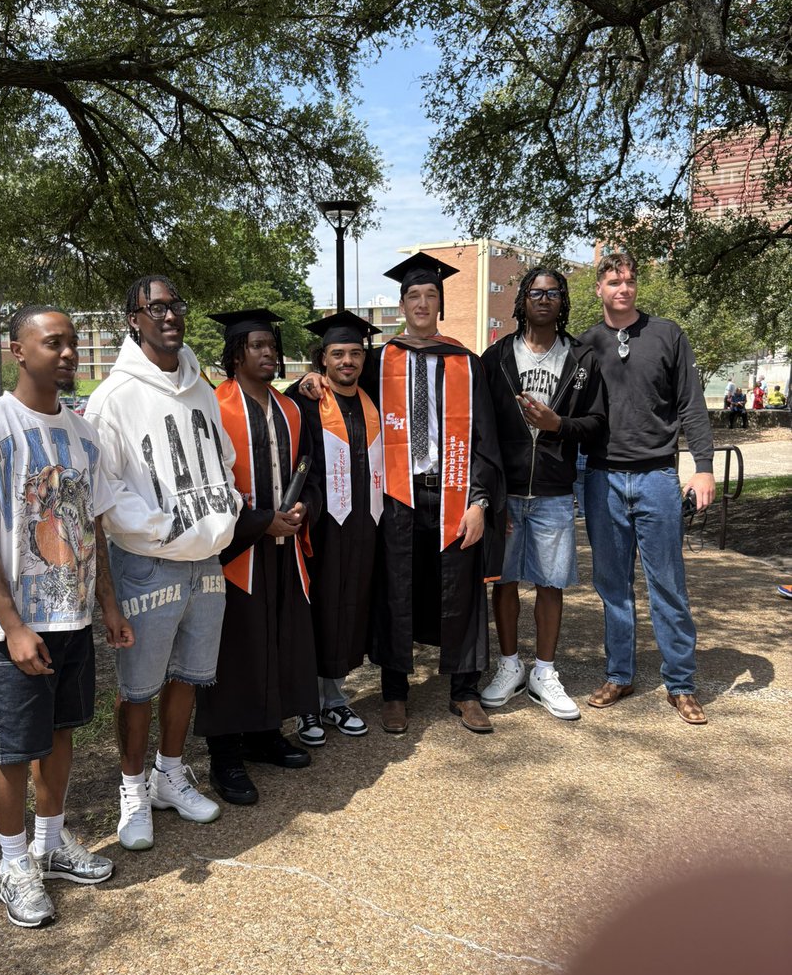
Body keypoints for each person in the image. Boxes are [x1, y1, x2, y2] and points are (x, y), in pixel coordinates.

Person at [0, 304, 134, 928]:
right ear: (20, 352)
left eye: (74, 343)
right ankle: (13, 862)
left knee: (61, 734)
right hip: (10, 627)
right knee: (13, 748)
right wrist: (13, 627)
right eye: (53, 343)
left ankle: (51, 844)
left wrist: (106, 605)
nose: (69, 353)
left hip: (71, 617)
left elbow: (94, 529)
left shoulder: (83, 434)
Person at [298, 253, 505, 735]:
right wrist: (312, 380)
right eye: (413, 295)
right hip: (396, 496)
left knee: (463, 590)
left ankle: (465, 691)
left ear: (441, 304)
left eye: (431, 295)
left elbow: (486, 439)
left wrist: (480, 501)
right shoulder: (379, 360)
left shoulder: (467, 363)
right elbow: (340, 384)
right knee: (396, 589)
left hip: (453, 490)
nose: (422, 303)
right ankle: (395, 692)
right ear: (401, 303)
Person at [84, 276, 239, 850]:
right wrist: (164, 528)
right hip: (149, 563)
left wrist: (224, 512)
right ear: (134, 318)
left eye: (177, 304)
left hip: (206, 560)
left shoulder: (199, 384)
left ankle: (169, 773)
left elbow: (220, 457)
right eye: (157, 307)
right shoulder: (113, 398)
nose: (170, 315)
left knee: (189, 676)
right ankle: (131, 788)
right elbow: (105, 491)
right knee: (139, 686)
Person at [579, 252, 715, 725]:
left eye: (630, 281)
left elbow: (692, 406)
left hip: (658, 476)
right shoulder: (586, 343)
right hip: (601, 478)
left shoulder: (667, 334)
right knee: (612, 586)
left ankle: (680, 683)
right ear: (599, 287)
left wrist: (703, 467)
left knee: (668, 585)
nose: (623, 288)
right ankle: (620, 673)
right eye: (614, 281)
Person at [194, 309, 319, 805]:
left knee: (276, 638)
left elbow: (304, 468)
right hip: (234, 550)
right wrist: (257, 523)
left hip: (283, 546)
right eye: (258, 346)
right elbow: (208, 485)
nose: (268, 353)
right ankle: (225, 754)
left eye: (273, 345)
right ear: (236, 353)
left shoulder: (289, 410)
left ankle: (265, 732)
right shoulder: (215, 406)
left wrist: (301, 505)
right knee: (231, 650)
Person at [480, 268, 606, 720]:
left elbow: (596, 424)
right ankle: (510, 666)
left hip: (553, 491)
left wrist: (559, 426)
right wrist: (490, 493)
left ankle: (545, 673)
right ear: (521, 301)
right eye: (536, 292)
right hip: (508, 491)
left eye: (553, 293)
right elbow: (481, 428)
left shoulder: (582, 358)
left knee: (552, 583)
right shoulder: (495, 357)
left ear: (563, 301)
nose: (544, 299)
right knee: (506, 579)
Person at [286, 311, 384, 743]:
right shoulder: (306, 400)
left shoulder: (372, 399)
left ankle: (335, 698)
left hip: (363, 524)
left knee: (349, 609)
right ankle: (307, 706)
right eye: (337, 353)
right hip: (320, 526)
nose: (348, 361)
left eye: (355, 353)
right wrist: (301, 380)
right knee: (314, 612)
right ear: (322, 358)